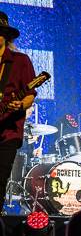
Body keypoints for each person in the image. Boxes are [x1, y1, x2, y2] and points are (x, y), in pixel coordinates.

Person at [0, 11, 38, 204]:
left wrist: (21, 104)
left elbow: (30, 94)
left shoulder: (20, 61)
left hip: (7, 131)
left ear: (5, 37)